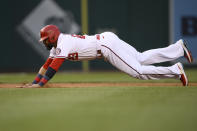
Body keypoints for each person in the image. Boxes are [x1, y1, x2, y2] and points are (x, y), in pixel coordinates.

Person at [22, 24, 193, 88]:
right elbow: (46, 65)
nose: (44, 42)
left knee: (138, 71)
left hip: (105, 46)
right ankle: (178, 49)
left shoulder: (63, 43)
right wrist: (34, 82)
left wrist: (41, 84)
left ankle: (176, 70)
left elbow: (54, 68)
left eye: (45, 39)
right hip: (107, 39)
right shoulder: (57, 44)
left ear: (52, 37)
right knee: (140, 58)